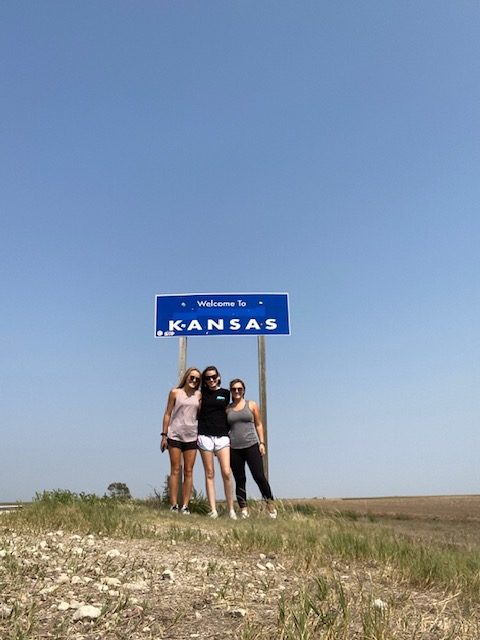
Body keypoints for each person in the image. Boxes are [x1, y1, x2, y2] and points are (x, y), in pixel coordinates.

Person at [226, 378, 277, 519]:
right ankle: (244, 509)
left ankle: (270, 506)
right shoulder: (227, 408)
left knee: (259, 476)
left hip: (252, 445)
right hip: (234, 448)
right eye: (234, 389)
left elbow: (259, 424)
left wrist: (262, 443)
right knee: (240, 479)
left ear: (243, 390)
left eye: (239, 389)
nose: (237, 391)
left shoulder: (252, 404)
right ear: (231, 391)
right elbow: (225, 429)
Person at [197, 365, 237, 519]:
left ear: (218, 376)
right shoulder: (201, 394)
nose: (211, 380)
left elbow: (232, 409)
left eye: (213, 376)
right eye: (208, 378)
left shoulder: (226, 394)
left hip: (222, 436)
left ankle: (231, 510)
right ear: (204, 381)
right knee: (209, 473)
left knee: (226, 472)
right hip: (205, 435)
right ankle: (213, 509)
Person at [161, 367, 201, 514]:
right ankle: (173, 504)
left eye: (197, 379)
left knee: (189, 471)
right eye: (192, 377)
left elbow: (201, 415)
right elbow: (167, 413)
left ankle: (185, 505)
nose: (194, 381)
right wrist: (164, 435)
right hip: (175, 435)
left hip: (192, 435)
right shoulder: (175, 392)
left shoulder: (199, 395)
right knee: (175, 469)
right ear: (186, 377)